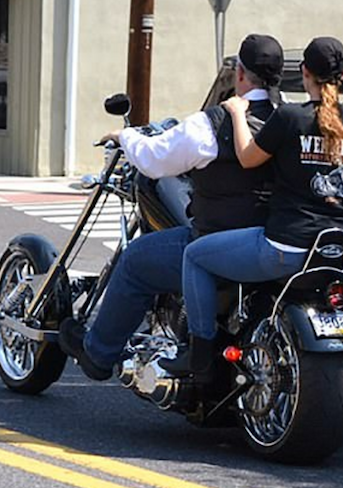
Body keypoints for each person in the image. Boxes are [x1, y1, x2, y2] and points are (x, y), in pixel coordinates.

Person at [58, 34, 285, 381]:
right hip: (269, 243)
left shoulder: (211, 123)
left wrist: (126, 137)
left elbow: (154, 160)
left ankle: (98, 354)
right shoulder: (288, 121)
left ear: (240, 73)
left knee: (136, 260)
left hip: (218, 241)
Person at [160, 36, 343, 377]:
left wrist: (237, 112)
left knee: (195, 255)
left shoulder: (290, 117)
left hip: (289, 246)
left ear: (304, 72)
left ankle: (199, 356)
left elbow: (246, 157)